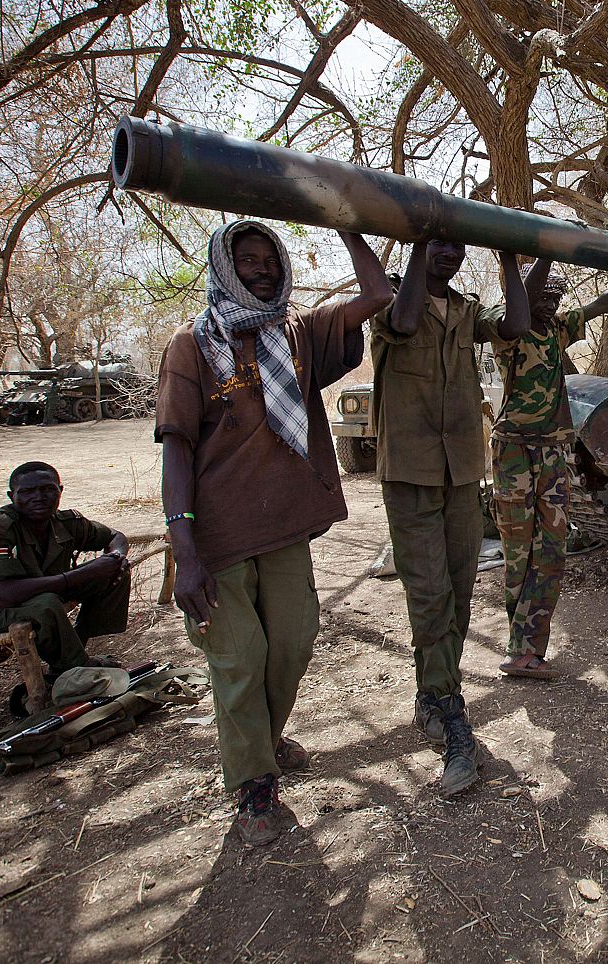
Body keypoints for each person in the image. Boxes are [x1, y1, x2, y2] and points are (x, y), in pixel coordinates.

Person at [158, 220, 393, 845]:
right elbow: (176, 449)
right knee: (241, 660)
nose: (262, 269)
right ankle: (254, 789)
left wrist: (349, 223)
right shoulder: (193, 344)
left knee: (291, 644)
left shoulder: (296, 333)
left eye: (271, 258)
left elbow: (377, 295)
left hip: (285, 530)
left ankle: (265, 739)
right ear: (224, 267)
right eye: (247, 260)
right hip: (219, 538)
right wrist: (184, 550)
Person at [368, 239, 529, 797]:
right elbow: (407, 319)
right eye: (437, 246)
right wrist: (421, 239)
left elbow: (516, 324)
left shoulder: (466, 311)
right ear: (418, 250)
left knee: (458, 592)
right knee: (429, 594)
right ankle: (453, 715)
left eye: (457, 246)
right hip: (411, 473)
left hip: (461, 470)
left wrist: (509, 257)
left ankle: (428, 696)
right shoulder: (391, 306)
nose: (449, 255)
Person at [482, 259, 608, 681]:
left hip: (553, 451)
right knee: (519, 551)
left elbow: (603, 303)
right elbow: (520, 302)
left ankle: (529, 649)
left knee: (552, 550)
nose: (551, 303)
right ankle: (518, 647)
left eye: (557, 297)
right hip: (514, 453)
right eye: (544, 296)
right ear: (524, 295)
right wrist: (544, 252)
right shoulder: (506, 327)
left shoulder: (558, 328)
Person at [0, 461, 131, 674]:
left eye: (47, 489)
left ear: (60, 491)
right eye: (27, 492)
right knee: (46, 604)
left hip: (34, 598)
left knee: (116, 570)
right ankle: (74, 667)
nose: (39, 497)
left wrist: (115, 557)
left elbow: (114, 536)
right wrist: (81, 574)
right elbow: (6, 594)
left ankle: (75, 648)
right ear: (12, 496)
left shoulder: (64, 522)